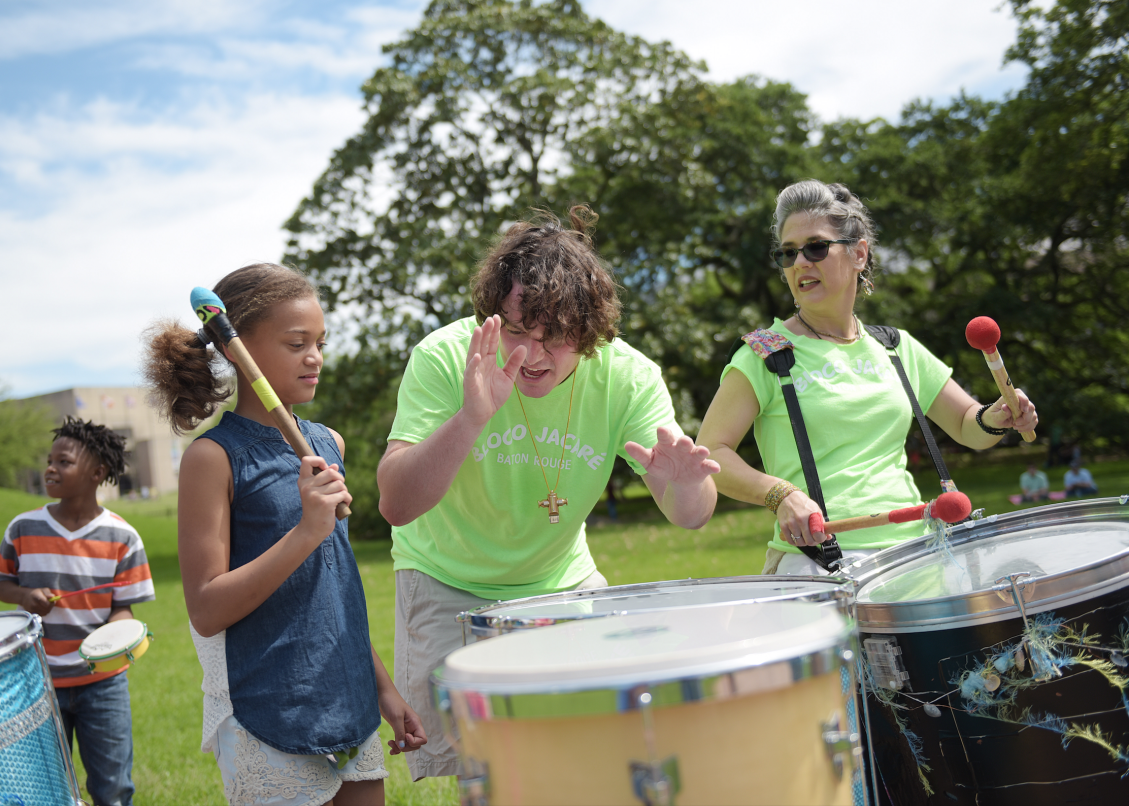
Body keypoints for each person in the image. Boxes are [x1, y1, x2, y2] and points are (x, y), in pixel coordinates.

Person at [377, 206, 720, 780]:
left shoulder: (628, 375)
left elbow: (692, 515)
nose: (531, 356)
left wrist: (688, 485)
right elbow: (396, 504)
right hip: (445, 579)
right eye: (515, 331)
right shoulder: (445, 357)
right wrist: (470, 417)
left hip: (563, 583)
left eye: (555, 337)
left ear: (590, 332)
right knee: (483, 772)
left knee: (592, 759)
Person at [142, 263, 426, 806]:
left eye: (320, 342)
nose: (315, 356)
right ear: (236, 348)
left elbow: (334, 588)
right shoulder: (213, 457)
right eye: (296, 343)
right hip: (266, 703)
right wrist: (306, 530)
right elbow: (206, 608)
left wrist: (385, 691)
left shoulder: (327, 444)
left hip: (348, 694)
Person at [696, 180, 1039, 575]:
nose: (801, 263)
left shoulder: (895, 346)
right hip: (819, 562)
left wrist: (995, 418)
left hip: (918, 550)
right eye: (788, 254)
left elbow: (967, 426)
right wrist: (781, 494)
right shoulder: (765, 353)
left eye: (816, 247)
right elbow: (712, 451)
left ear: (859, 253)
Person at [0, 417, 155, 806]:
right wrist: (24, 594)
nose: (50, 468)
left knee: (112, 788)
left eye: (63, 462)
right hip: (38, 682)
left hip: (104, 684)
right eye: (50, 460)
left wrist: (115, 635)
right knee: (49, 788)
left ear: (97, 472)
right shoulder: (23, 528)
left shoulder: (122, 536)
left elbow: (123, 609)